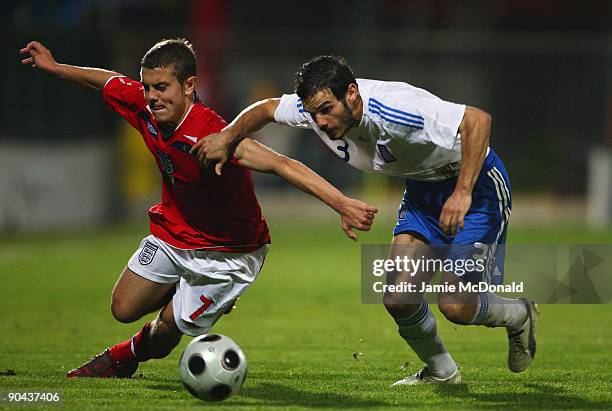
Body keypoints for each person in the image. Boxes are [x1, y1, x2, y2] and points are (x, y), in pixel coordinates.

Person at [19, 41, 378, 378]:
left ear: (189, 85)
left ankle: (123, 356)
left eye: (162, 88)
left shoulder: (211, 134)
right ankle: (189, 297)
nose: (152, 97)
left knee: (163, 335)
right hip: (175, 231)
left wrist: (341, 203)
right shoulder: (145, 106)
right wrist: (56, 68)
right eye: (148, 87)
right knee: (122, 308)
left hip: (228, 254)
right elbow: (109, 82)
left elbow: (281, 164)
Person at [192, 55, 539, 385]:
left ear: (352, 93)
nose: (323, 123)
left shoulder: (398, 109)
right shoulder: (316, 107)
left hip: (475, 189)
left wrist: (462, 192)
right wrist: (227, 137)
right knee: (398, 298)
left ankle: (519, 315)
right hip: (423, 192)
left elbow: (478, 120)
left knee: (455, 306)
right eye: (315, 115)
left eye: (327, 110)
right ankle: (442, 371)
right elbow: (266, 108)